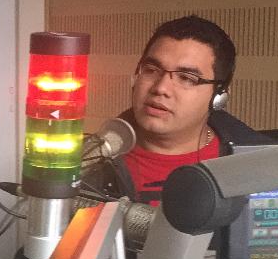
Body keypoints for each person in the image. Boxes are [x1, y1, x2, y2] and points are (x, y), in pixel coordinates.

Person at [83, 15, 265, 206]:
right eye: (151, 70)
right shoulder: (86, 165)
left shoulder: (258, 164)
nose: (161, 88)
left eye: (186, 78)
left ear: (218, 96)